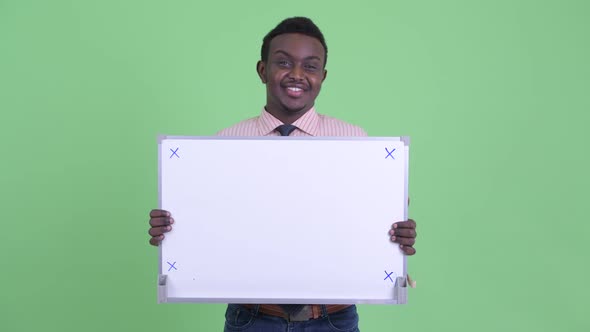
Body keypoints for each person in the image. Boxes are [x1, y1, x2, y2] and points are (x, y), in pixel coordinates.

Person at [148, 16, 417, 332]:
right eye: (284, 63)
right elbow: (210, 221)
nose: (298, 75)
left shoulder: (355, 141)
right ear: (263, 70)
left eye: (311, 66)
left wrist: (397, 233)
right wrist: (173, 232)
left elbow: (373, 218)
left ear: (323, 76)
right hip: (252, 319)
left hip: (333, 319)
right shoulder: (225, 143)